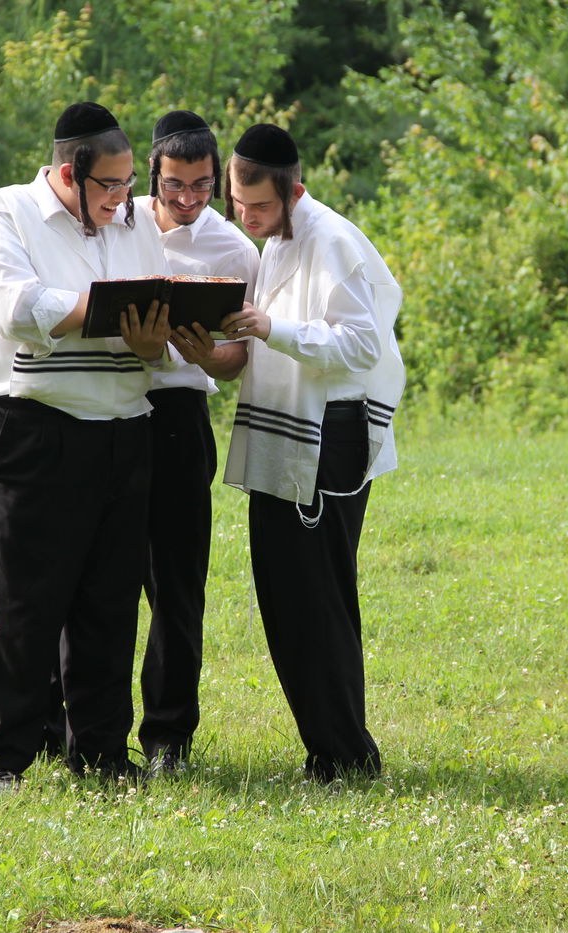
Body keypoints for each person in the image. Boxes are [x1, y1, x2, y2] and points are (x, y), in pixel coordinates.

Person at [0, 101, 172, 788]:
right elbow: (19, 306)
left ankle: (100, 753)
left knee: (108, 603)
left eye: (130, 184)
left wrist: (157, 332)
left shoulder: (132, 225)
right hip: (29, 429)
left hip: (124, 430)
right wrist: (115, 315)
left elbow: (152, 312)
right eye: (109, 185)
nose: (123, 199)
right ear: (70, 171)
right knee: (18, 602)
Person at [217, 123, 405, 782]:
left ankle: (347, 754)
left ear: (295, 189)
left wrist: (274, 327)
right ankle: (330, 749)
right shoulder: (279, 239)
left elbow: (361, 344)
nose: (250, 218)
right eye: (239, 207)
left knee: (317, 600)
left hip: (329, 437)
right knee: (286, 598)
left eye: (261, 207)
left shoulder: (331, 239)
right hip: (289, 433)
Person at [134, 110, 259, 776]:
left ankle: (168, 741)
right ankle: (80, 730)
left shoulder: (233, 249)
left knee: (178, 587)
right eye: (176, 185)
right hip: (108, 409)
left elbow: (239, 359)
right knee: (95, 580)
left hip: (181, 414)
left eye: (202, 186)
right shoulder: (114, 222)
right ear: (152, 173)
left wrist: (207, 357)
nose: (188, 200)